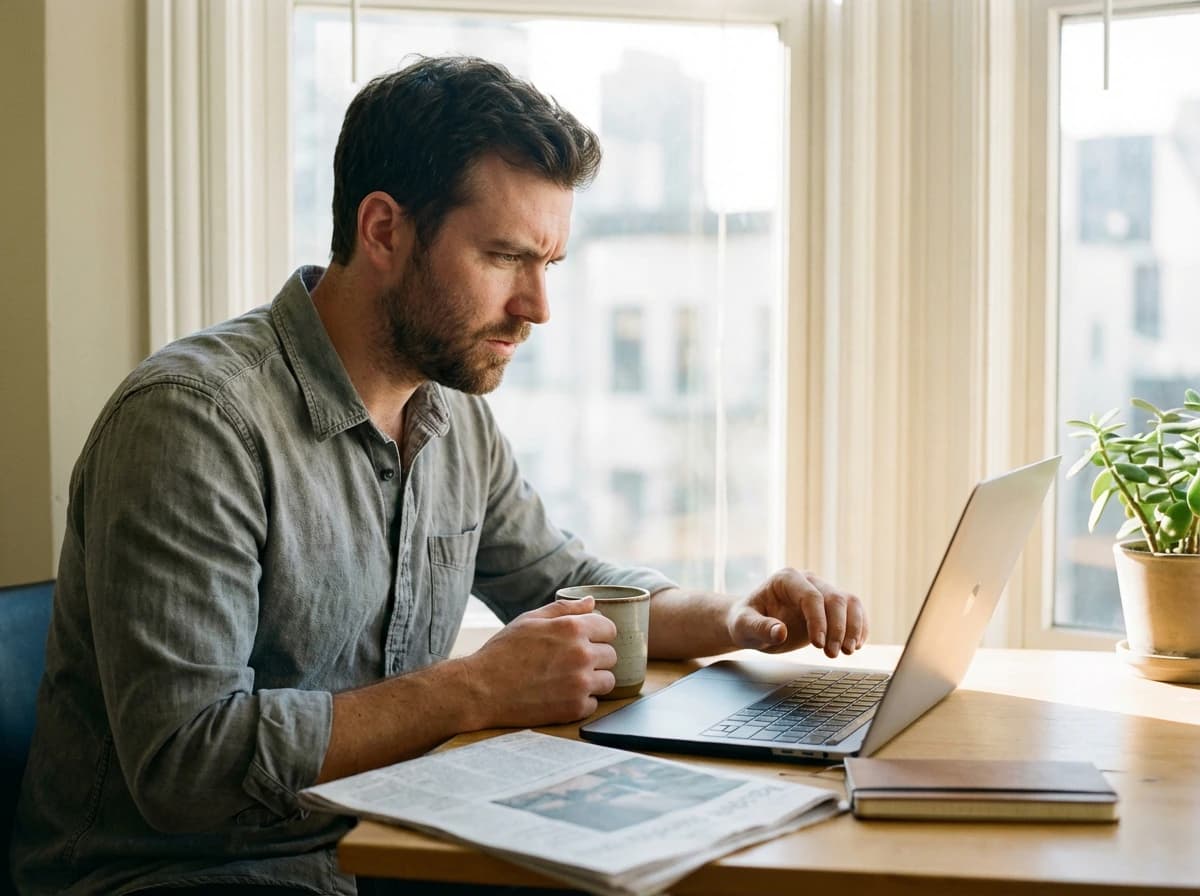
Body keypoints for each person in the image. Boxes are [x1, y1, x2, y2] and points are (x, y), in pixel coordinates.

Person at [11, 55, 867, 896]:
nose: (537, 307)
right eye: (504, 258)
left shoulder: (450, 413)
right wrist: (474, 689)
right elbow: (185, 764)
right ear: (383, 230)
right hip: (176, 874)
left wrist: (736, 613)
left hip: (379, 843)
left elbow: (567, 581)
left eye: (548, 264)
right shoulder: (194, 423)